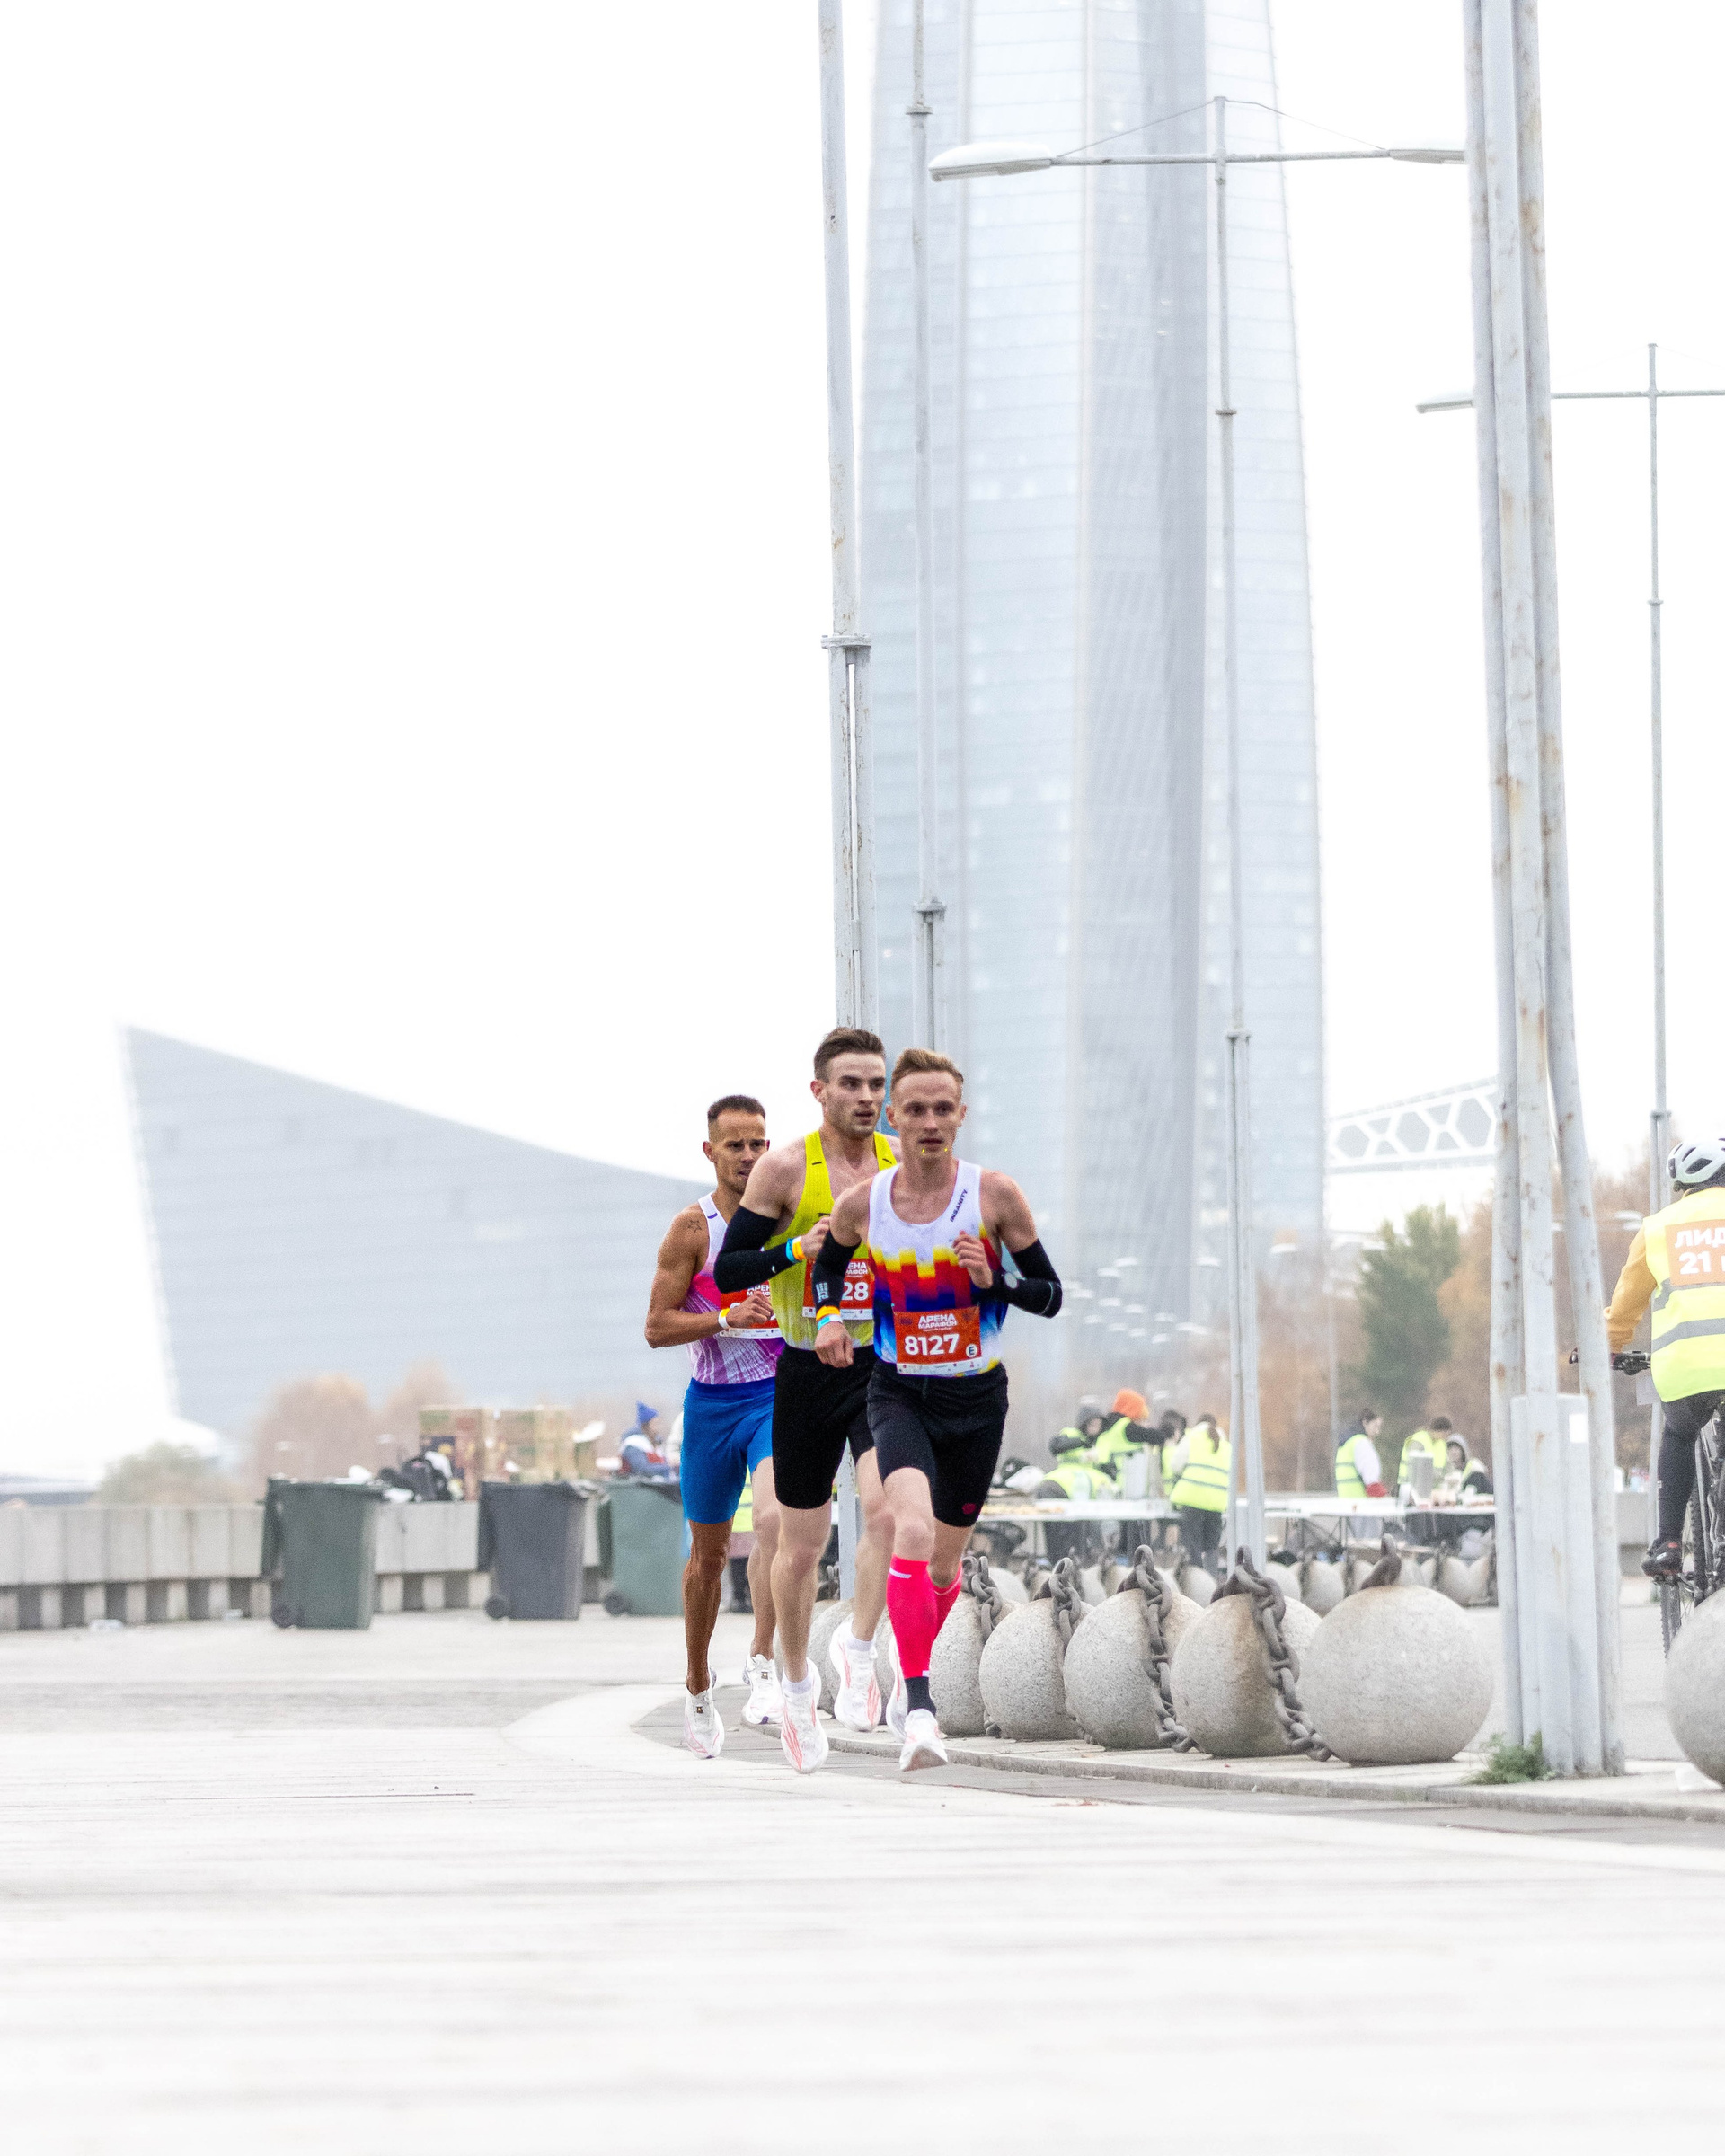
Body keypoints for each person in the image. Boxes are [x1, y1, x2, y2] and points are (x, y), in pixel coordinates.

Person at [810, 1047, 1063, 1771]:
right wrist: (829, 1317)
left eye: (942, 1109)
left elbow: (1050, 1296)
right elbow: (829, 1265)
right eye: (915, 1109)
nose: (929, 1122)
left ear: (961, 1116)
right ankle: (920, 1708)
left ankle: (907, 1668)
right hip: (899, 1393)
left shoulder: (995, 1197)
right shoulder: (865, 1203)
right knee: (910, 1529)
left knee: (946, 1567)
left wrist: (996, 1281)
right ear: (893, 1116)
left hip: (976, 1401)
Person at [714, 1028, 898, 1772]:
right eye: (850, 1084)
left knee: (888, 1509)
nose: (866, 1097)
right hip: (807, 1368)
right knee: (800, 1546)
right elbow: (731, 1270)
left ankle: (859, 1646)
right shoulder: (787, 1168)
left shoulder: (901, 1166)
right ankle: (795, 1682)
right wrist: (797, 1248)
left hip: (882, 1366)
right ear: (820, 1091)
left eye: (876, 1085)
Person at [644, 1094, 783, 1759]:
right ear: (711, 1152)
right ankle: (698, 1685)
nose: (749, 1156)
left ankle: (764, 1661)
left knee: (779, 1522)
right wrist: (725, 1318)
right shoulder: (691, 1229)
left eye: (758, 1144)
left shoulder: (788, 1220)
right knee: (706, 1559)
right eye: (735, 1145)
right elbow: (656, 1326)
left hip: (778, 1399)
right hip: (712, 1406)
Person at [1606, 1135, 1725, 1580]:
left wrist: (1610, 1345)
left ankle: (1669, 1543)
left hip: (1684, 1370)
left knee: (1678, 1434)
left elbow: (1627, 1302)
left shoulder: (1658, 1227)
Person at [1168, 1413, 1230, 1568]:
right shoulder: (1226, 1444)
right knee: (1212, 1546)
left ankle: (1195, 1576)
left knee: (1192, 1545)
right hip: (1216, 1502)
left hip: (1192, 1499)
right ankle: (1212, 1576)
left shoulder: (1192, 1437)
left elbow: (1175, 1465)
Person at [1334, 1411, 1387, 1498]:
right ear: (1365, 1423)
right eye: (1375, 1426)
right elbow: (1371, 1481)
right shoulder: (1362, 1443)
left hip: (1346, 1502)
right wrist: (1385, 1499)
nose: (1377, 1432)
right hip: (1362, 1503)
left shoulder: (1347, 1444)